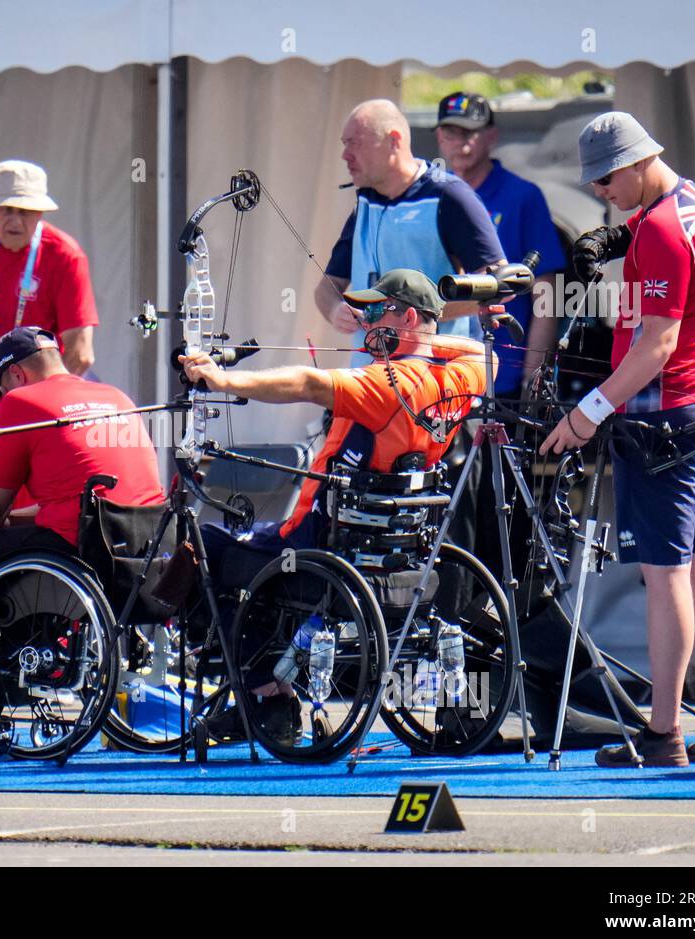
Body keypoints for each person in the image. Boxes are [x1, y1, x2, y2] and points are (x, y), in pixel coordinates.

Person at [181, 270, 488, 738]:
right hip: (391, 545)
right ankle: (271, 691)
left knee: (202, 549)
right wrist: (424, 337)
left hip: (317, 542)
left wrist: (222, 380)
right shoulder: (462, 377)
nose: (365, 322)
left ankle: (266, 697)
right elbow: (481, 355)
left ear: (407, 316)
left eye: (375, 311)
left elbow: (306, 382)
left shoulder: (387, 383)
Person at [543, 111, 695, 767]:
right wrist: (614, 238)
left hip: (666, 420)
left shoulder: (660, 230)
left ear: (636, 162)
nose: (600, 189)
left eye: (607, 178)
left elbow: (656, 344)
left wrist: (588, 413)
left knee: (666, 580)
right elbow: (663, 243)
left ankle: (663, 734)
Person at [0, 326, 162, 562]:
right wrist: (14, 518)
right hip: (146, 537)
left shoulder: (20, 401)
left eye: (2, 389)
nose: (3, 397)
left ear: (17, 374)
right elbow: (94, 500)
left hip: (83, 545)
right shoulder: (117, 396)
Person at [0, 160, 99, 507]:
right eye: (5, 209)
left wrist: (35, 404)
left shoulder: (64, 255)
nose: (15, 221)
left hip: (35, 417)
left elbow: (80, 353)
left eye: (26, 211)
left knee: (28, 516)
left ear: (41, 213)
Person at [315, 99, 506, 348]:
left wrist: (421, 313)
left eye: (356, 144)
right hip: (372, 373)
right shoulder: (365, 202)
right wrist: (334, 310)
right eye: (344, 144)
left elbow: (501, 282)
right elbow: (326, 289)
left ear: (394, 140)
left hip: (437, 374)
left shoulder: (449, 196)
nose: (345, 156)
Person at [435, 92, 567, 395]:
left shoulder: (522, 197)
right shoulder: (430, 195)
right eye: (451, 133)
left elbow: (545, 296)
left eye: (470, 132)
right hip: (439, 373)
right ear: (440, 138)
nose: (461, 143)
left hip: (502, 376)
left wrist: (532, 377)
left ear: (491, 136)